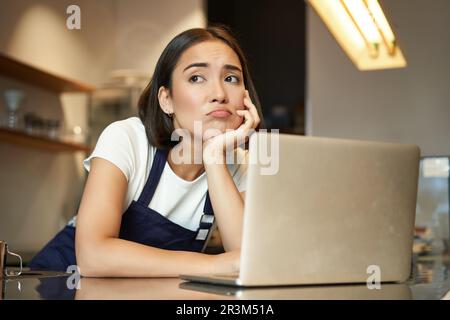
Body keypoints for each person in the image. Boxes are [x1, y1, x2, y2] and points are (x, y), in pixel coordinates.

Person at [28, 26, 263, 277]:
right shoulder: (127, 139)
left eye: (231, 79)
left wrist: (214, 158)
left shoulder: (238, 164)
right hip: (59, 282)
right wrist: (213, 265)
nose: (219, 94)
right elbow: (92, 257)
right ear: (166, 99)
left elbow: (247, 261)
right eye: (196, 77)